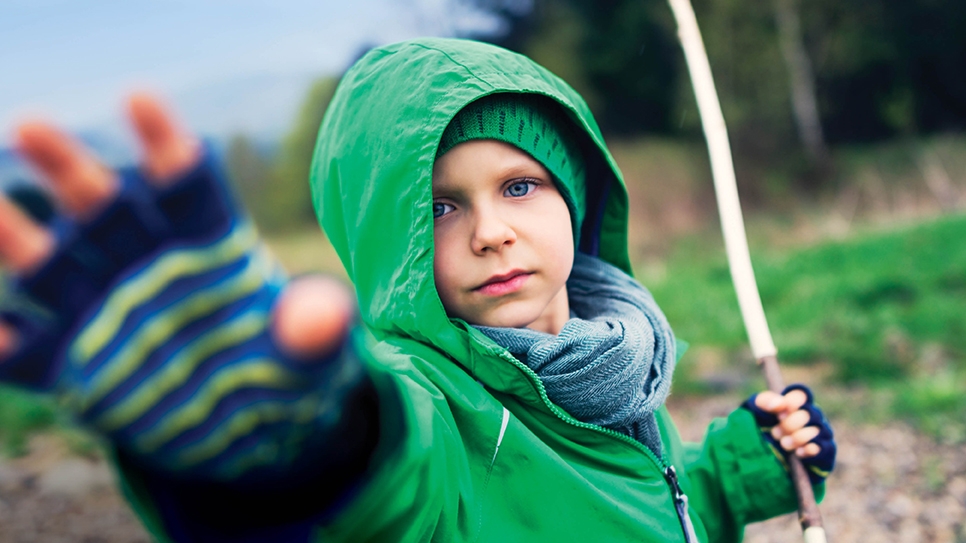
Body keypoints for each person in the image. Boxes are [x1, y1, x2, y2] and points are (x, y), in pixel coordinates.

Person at [0, 37, 835, 542]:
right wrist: (309, 452)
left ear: (574, 190)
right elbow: (386, 493)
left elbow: (623, 507)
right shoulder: (430, 405)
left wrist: (731, 474)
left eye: (519, 185)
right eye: (439, 206)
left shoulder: (611, 358)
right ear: (386, 240)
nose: (490, 230)